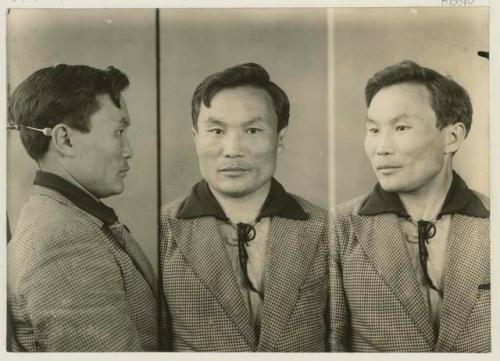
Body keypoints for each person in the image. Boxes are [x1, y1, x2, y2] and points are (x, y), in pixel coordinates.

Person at [160, 63, 330, 351]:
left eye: (252, 130)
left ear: (280, 139)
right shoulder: (160, 231)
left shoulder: (326, 228)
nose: (232, 149)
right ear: (195, 139)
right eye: (216, 131)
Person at [330, 60, 490, 352]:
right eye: (374, 130)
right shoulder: (337, 227)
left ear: (452, 137)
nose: (381, 147)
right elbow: (329, 346)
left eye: (401, 127)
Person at [7, 64, 158, 351]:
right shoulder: (63, 240)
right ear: (65, 139)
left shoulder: (65, 219)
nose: (129, 150)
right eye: (118, 131)